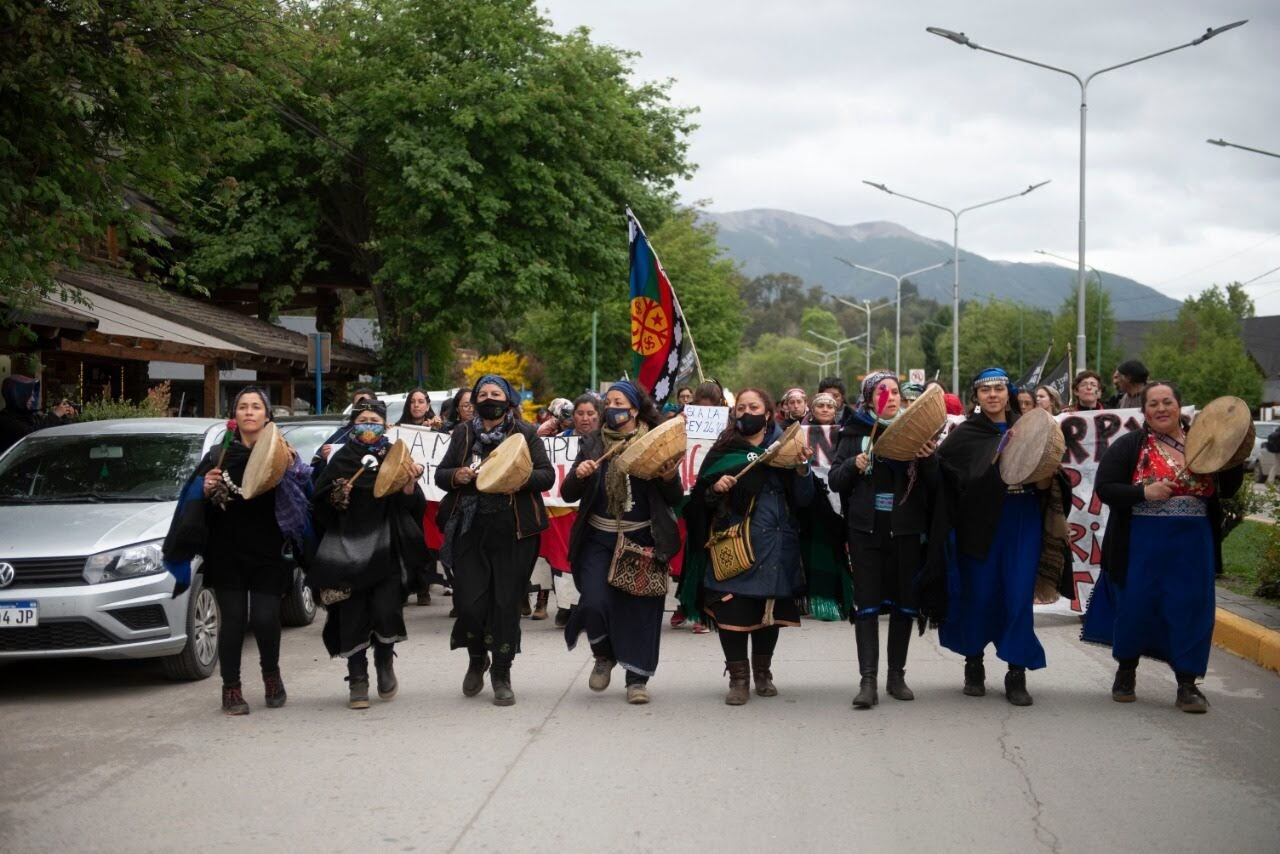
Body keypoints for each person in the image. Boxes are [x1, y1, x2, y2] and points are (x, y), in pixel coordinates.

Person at [1081, 382, 1244, 713]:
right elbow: (1106, 489)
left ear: (1179, 407)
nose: (1160, 409)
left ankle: (1187, 684)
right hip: (1140, 541)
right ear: (1144, 411)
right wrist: (1144, 493)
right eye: (1153, 404)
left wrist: (1232, 455)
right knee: (1136, 605)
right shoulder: (1130, 445)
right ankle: (1126, 671)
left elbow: (1227, 488)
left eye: (1167, 402)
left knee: (1191, 607)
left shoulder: (1204, 444)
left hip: (1192, 544)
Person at [922, 368, 1071, 707]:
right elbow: (946, 479)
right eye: (985, 390)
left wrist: (1046, 473)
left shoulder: (1029, 427)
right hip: (977, 524)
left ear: (1008, 393)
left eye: (999, 389)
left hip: (1021, 519)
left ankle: (1016, 672)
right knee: (980, 594)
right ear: (976, 396)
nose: (992, 395)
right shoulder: (965, 434)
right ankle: (973, 663)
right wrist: (930, 460)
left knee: (1017, 595)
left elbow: (1048, 483)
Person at [162, 387, 312, 715]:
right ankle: (231, 688)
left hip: (269, 551)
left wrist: (291, 470)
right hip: (227, 551)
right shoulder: (218, 456)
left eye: (256, 407)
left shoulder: (283, 453)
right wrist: (205, 488)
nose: (249, 412)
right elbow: (194, 500)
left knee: (266, 618)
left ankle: (271, 677)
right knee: (233, 621)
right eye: (243, 407)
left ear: (267, 416)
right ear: (235, 416)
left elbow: (304, 490)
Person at [679, 388, 815, 705]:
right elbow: (699, 501)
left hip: (776, 543)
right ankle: (738, 679)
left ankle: (763, 673)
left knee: (768, 611)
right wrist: (716, 488)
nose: (746, 413)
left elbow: (805, 499)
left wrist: (801, 469)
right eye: (740, 408)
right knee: (732, 609)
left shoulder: (787, 447)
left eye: (753, 407)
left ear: (768, 413)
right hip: (733, 544)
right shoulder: (723, 450)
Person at [435, 374, 555, 706]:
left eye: (496, 393)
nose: (490, 398)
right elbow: (441, 475)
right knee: (470, 603)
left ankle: (501, 672)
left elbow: (546, 475)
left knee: (505, 604)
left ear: (508, 399)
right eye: (483, 393)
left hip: (514, 533)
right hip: (469, 530)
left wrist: (518, 480)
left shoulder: (525, 433)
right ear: (475, 400)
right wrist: (457, 476)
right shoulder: (463, 433)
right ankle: (477, 658)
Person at [561, 381, 682, 704]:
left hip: (642, 538)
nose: (612, 407)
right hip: (598, 539)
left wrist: (668, 477)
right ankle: (603, 655)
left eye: (619, 402)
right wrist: (579, 475)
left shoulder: (656, 442)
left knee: (640, 612)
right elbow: (568, 493)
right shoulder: (593, 443)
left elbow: (674, 497)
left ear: (635, 409)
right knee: (593, 602)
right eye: (609, 402)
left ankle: (637, 680)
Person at [829, 371, 939, 708]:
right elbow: (835, 480)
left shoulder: (917, 432)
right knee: (867, 606)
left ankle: (896, 677)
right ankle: (868, 682)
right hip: (865, 531)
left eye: (894, 391)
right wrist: (853, 464)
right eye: (881, 391)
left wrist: (928, 459)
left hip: (905, 531)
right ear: (868, 397)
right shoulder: (853, 433)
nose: (890, 397)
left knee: (904, 604)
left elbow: (935, 486)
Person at [310, 400, 428, 709]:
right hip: (347, 549)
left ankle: (384, 662)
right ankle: (358, 678)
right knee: (353, 615)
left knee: (386, 610)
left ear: (385, 425)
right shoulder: (340, 460)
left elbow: (414, 508)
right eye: (363, 419)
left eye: (374, 420)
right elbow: (318, 506)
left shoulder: (397, 457)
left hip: (387, 546)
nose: (368, 425)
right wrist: (336, 498)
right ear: (353, 423)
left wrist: (408, 488)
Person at [550, 394, 602, 627]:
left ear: (599, 415)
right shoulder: (557, 442)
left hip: (594, 511)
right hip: (563, 511)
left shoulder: (605, 442)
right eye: (580, 413)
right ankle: (566, 606)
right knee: (564, 559)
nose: (585, 418)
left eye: (590, 413)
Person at [396, 388, 443, 606]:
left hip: (431, 495)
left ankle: (424, 587)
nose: (416, 405)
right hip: (406, 493)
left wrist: (438, 429)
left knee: (428, 540)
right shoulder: (398, 429)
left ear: (427, 404)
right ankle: (406, 586)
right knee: (406, 539)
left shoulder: (437, 428)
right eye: (412, 401)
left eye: (421, 401)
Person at [0, 375, 76, 455]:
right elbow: (32, 436)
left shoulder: (30, 416)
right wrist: (55, 414)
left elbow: (54, 432)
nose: (33, 399)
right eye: (29, 395)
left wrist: (67, 417)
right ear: (18, 395)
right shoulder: (5, 420)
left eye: (33, 395)